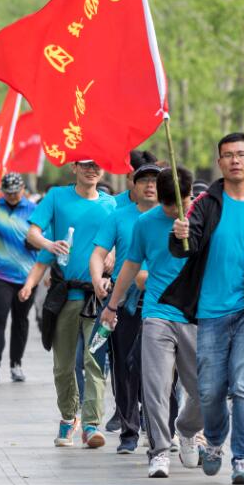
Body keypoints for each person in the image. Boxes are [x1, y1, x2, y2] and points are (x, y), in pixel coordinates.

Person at [162, 133, 244, 485]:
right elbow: (185, 249)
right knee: (209, 390)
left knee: (243, 386)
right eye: (228, 155)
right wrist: (180, 234)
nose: (235, 160)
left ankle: (243, 460)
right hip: (210, 312)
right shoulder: (207, 204)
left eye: (241, 155)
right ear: (219, 163)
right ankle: (216, 441)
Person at [102, 165, 201, 477]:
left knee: (204, 389)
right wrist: (113, 305)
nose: (173, 211)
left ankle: (186, 429)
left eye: (178, 204)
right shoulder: (145, 222)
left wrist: (192, 235)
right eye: (167, 205)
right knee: (155, 386)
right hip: (157, 311)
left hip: (196, 315)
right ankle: (158, 450)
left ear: (189, 196)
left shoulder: (203, 217)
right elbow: (130, 264)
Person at [18, 161, 117, 448]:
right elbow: (33, 233)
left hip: (98, 300)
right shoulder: (57, 197)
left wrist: (112, 252)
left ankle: (91, 424)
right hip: (64, 298)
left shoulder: (111, 205)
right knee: (63, 367)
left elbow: (125, 239)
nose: (92, 169)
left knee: (94, 362)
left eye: (97, 165)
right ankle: (68, 417)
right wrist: (50, 245)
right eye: (86, 165)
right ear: (75, 167)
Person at [90, 161, 161, 454]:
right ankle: (130, 432)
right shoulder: (118, 217)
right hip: (123, 301)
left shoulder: (174, 219)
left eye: (156, 180)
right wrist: (97, 278)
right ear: (132, 183)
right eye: (143, 179)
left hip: (162, 303)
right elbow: (98, 253)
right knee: (124, 367)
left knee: (162, 370)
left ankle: (159, 429)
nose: (149, 185)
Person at [0, 174, 39, 382]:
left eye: (16, 192)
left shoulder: (34, 210)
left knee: (20, 320)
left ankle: (16, 364)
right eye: (8, 193)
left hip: (26, 275)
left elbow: (44, 236)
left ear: (23, 189)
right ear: (2, 191)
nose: (12, 196)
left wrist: (35, 243)